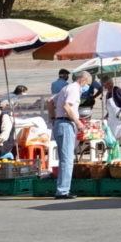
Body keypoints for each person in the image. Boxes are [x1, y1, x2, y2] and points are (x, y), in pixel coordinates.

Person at [50, 70, 89, 200]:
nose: (86, 87)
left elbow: (50, 102)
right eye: (87, 84)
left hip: (59, 123)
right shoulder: (74, 89)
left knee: (64, 159)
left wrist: (53, 118)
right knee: (67, 159)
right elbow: (67, 108)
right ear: (82, 80)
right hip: (66, 124)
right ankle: (63, 191)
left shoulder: (66, 88)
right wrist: (78, 123)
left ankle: (62, 188)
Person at [100, 75, 121, 158]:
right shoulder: (108, 94)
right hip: (115, 118)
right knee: (114, 136)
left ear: (109, 83)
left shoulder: (117, 91)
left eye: (104, 84)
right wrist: (106, 116)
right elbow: (110, 109)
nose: (103, 86)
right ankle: (116, 155)